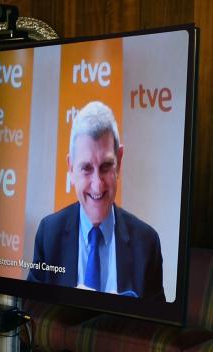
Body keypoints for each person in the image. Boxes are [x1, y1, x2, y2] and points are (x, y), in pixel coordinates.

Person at [28, 101, 164, 300]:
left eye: (106, 166)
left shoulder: (147, 243)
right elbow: (31, 309)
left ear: (119, 162)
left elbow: (157, 318)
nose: (97, 185)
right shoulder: (49, 235)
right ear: (71, 168)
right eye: (86, 168)